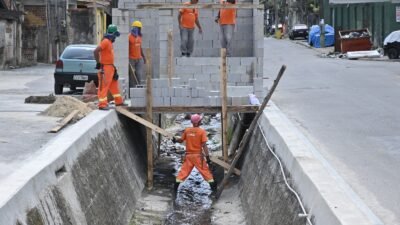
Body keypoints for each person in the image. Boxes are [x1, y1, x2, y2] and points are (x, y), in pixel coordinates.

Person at [172, 114, 217, 194]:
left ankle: (175, 191)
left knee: (183, 173)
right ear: (198, 122)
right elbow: (204, 146)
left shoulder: (187, 130)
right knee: (206, 173)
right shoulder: (202, 132)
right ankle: (214, 192)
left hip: (188, 156)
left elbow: (181, 140)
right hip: (198, 157)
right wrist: (208, 159)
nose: (200, 121)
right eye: (200, 120)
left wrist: (175, 140)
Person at [94, 24, 124, 110]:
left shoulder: (109, 43)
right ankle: (102, 104)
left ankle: (119, 101)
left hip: (110, 67)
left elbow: (108, 57)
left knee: (114, 85)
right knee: (104, 86)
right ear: (113, 34)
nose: (115, 38)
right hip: (105, 68)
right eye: (115, 36)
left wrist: (113, 68)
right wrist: (98, 63)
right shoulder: (106, 41)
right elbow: (96, 51)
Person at [129, 20, 146, 86]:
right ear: (135, 28)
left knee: (139, 74)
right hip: (131, 59)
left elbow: (140, 47)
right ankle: (132, 88)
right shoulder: (129, 37)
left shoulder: (139, 37)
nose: (140, 30)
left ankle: (138, 87)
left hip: (139, 59)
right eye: (139, 28)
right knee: (132, 75)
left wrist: (143, 57)